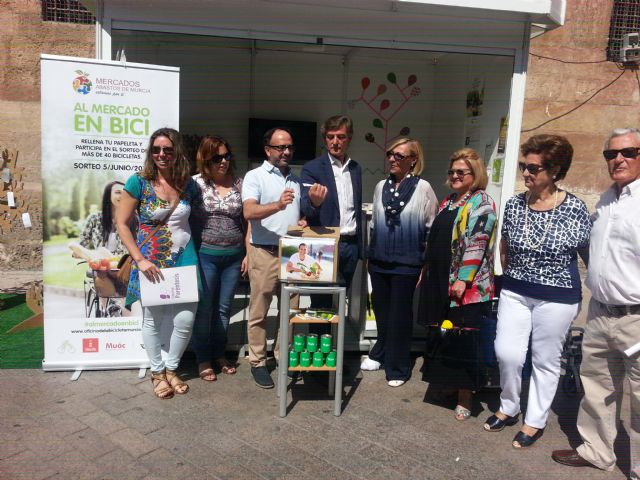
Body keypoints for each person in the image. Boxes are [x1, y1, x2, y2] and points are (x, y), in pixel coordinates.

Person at [485, 134, 591, 448]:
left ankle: (534, 421)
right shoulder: (515, 204)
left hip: (557, 296)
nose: (526, 173)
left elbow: (588, 253)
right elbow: (505, 247)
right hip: (515, 291)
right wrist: (513, 275)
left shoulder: (575, 208)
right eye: (523, 166)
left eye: (533, 168)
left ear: (555, 170)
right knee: (508, 353)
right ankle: (509, 405)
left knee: (546, 360)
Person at [552, 127, 640, 476]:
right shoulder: (606, 200)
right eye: (611, 154)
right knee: (597, 388)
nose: (619, 159)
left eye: (629, 152)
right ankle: (597, 451)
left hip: (636, 317)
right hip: (601, 312)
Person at [116, 127, 199, 399]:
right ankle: (157, 372)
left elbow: (195, 220)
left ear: (177, 152)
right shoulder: (137, 182)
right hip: (151, 257)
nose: (161, 154)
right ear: (151, 153)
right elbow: (122, 224)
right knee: (153, 318)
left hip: (185, 255)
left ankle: (172, 368)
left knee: (185, 319)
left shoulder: (189, 184)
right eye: (156, 149)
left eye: (167, 149)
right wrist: (139, 260)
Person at [419, 148, 497, 421]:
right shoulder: (449, 201)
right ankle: (449, 385)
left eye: (460, 172)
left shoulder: (482, 202)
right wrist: (426, 269)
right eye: (451, 171)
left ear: (474, 174)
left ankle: (466, 395)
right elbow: (436, 239)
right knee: (445, 336)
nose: (454, 176)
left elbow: (477, 243)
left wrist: (464, 279)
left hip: (467, 285)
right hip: (440, 279)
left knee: (465, 338)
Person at [362, 137, 438, 387]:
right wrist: (369, 256)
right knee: (382, 312)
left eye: (399, 156)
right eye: (390, 154)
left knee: (400, 315)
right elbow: (373, 225)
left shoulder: (424, 188)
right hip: (379, 260)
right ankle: (380, 352)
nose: (393, 159)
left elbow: (431, 227)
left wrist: (425, 264)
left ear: (413, 160)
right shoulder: (380, 185)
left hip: (407, 262)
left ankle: (398, 366)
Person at [242, 127, 304, 389]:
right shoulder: (254, 176)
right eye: (280, 147)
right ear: (268, 150)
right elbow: (249, 211)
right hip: (264, 251)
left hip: (291, 253)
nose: (286, 151)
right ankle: (257, 361)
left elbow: (296, 215)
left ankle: (283, 357)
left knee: (291, 311)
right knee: (259, 311)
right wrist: (277, 205)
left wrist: (302, 219)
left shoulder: (297, 179)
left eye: (289, 146)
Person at [190, 135, 247, 382]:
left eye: (226, 156)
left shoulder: (239, 183)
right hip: (205, 256)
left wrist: (247, 253)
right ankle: (203, 358)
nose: (223, 161)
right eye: (216, 158)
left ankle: (219, 354)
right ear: (205, 159)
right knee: (205, 308)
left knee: (224, 309)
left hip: (234, 256)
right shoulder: (194, 184)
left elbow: (248, 221)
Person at [301, 115, 362, 306]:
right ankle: (318, 337)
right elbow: (304, 207)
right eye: (330, 136)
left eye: (341, 137)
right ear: (325, 139)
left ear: (349, 138)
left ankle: (337, 337)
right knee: (320, 302)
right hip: (324, 244)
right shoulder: (312, 168)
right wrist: (315, 202)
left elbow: (356, 207)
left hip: (350, 245)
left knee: (342, 299)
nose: (335, 142)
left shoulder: (355, 168)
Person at [78, 181, 134, 256]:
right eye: (118, 192)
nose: (123, 196)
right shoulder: (94, 218)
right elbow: (81, 246)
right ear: (108, 195)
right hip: (100, 265)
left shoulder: (134, 219)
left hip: (125, 266)